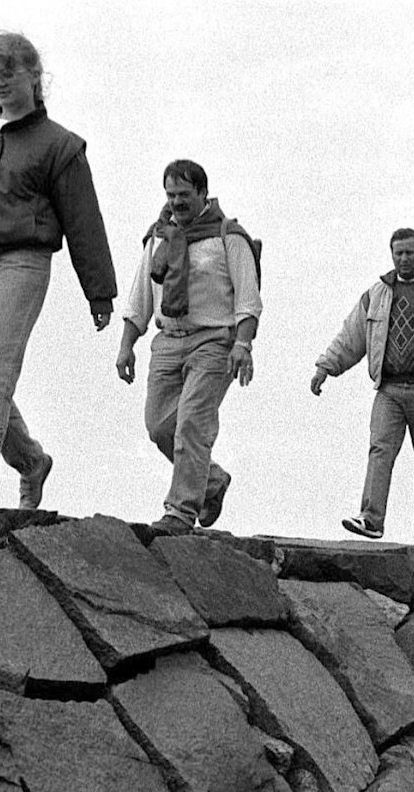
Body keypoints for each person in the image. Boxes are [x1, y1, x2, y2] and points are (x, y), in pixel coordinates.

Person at [0, 31, 116, 510]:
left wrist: (100, 293)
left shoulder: (60, 146)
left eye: (8, 74)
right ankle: (31, 461)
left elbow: (84, 220)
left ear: (34, 77)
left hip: (23, 260)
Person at [115, 160, 260, 536]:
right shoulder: (158, 238)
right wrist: (127, 344)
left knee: (192, 424)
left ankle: (179, 512)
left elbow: (247, 297)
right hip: (168, 341)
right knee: (161, 427)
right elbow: (141, 295)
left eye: (184, 194)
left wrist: (243, 343)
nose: (176, 202)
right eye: (170, 195)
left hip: (215, 341)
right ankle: (211, 481)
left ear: (201, 193)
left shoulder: (229, 236)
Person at [312, 229, 414, 544]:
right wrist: (325, 367)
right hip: (388, 389)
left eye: (409, 253)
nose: (403, 259)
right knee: (380, 452)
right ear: (391, 255)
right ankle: (371, 519)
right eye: (398, 253)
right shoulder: (377, 294)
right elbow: (351, 336)